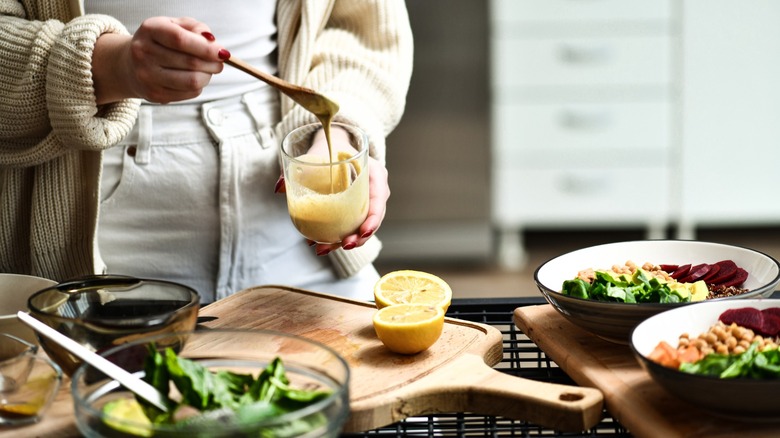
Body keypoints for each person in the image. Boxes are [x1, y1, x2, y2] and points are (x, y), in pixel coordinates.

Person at [0, 1, 413, 303]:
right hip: (88, 234)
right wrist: (110, 67)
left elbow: (358, 27)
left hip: (291, 233)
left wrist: (336, 135)